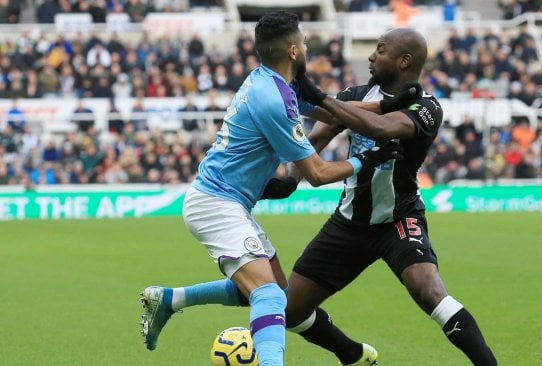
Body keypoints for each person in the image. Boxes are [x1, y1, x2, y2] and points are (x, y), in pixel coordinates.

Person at [139, 11, 402, 366]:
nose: (308, 46)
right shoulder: (273, 98)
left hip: (225, 200)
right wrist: (366, 161)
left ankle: (170, 300)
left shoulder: (275, 83)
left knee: (275, 292)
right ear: (293, 51)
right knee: (268, 296)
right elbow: (319, 173)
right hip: (216, 203)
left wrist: (390, 106)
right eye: (305, 42)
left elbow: (338, 114)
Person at [283, 28, 498, 366]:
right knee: (290, 311)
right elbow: (320, 136)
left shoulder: (427, 107)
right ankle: (352, 354)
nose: (371, 56)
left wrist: (325, 100)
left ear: (404, 60)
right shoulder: (355, 93)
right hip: (349, 222)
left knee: (430, 291)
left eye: (379, 50)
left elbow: (380, 127)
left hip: (399, 218)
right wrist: (291, 179)